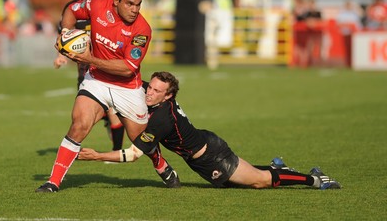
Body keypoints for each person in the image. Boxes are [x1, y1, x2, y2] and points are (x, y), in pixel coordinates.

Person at [78, 71, 341, 190]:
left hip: (213, 157)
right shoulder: (157, 98)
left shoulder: (162, 119)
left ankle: (315, 180)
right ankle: (280, 168)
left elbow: (132, 155)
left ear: (168, 96)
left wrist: (95, 156)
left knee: (260, 182)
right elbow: (134, 81)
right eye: (151, 87)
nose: (149, 93)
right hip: (203, 153)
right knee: (248, 180)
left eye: (157, 91)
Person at [35, 0, 180, 193]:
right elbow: (71, 10)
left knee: (140, 140)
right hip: (97, 81)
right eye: (130, 4)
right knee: (80, 124)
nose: (135, 9)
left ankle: (160, 164)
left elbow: (127, 69)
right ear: (115, 1)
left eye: (138, 4)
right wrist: (65, 32)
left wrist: (89, 58)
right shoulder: (96, 5)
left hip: (127, 88)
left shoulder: (142, 30)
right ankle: (53, 182)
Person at [53, 0, 125, 151]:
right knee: (84, 115)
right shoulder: (73, 9)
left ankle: (116, 153)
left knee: (112, 111)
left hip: (107, 65)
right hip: (84, 71)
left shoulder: (110, 7)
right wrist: (61, 55)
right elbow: (65, 36)